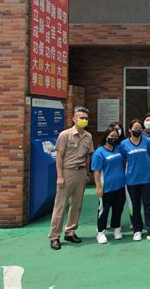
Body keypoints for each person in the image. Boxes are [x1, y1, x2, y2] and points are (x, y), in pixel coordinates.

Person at [49, 106, 94, 250]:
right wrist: (60, 176)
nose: (84, 120)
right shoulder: (65, 135)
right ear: (74, 119)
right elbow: (59, 157)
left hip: (81, 173)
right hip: (67, 172)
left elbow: (88, 156)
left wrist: (87, 173)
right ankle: (55, 236)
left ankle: (70, 231)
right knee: (60, 205)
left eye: (86, 118)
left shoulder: (88, 136)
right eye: (81, 118)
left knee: (77, 204)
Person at [119, 119, 150, 243]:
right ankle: (137, 230)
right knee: (135, 206)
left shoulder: (147, 142)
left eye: (140, 128)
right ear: (129, 130)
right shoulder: (124, 144)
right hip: (131, 180)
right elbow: (124, 158)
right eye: (135, 128)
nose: (138, 130)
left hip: (147, 178)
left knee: (149, 206)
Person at [92, 127, 126, 244]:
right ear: (106, 137)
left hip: (120, 186)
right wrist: (98, 187)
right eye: (111, 136)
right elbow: (96, 171)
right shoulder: (99, 152)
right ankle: (101, 232)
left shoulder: (118, 149)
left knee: (118, 209)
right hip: (106, 188)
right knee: (103, 211)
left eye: (116, 137)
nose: (114, 138)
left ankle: (117, 228)